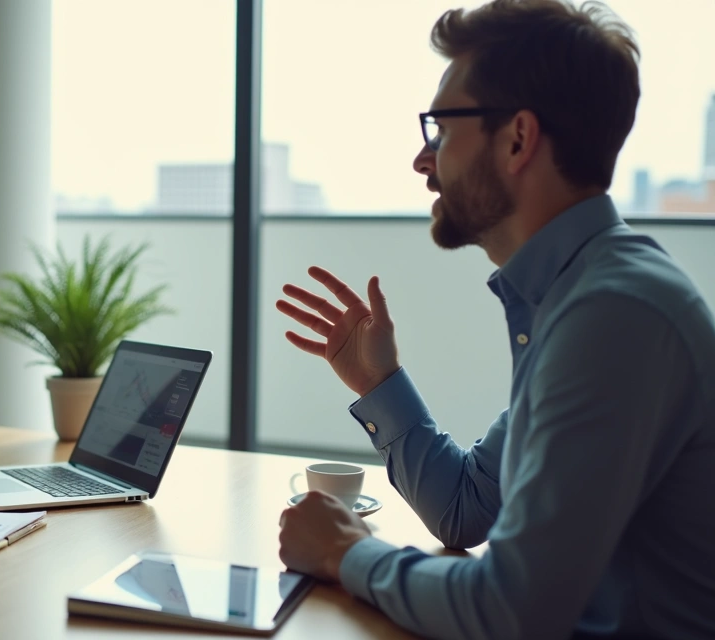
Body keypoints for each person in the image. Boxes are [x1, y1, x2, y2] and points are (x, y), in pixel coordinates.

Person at [275, 1, 715, 638]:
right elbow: (466, 508)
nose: (423, 162)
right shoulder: (579, 300)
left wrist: (347, 553)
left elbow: (512, 609)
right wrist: (380, 384)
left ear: (517, 138)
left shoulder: (615, 317)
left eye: (442, 130)